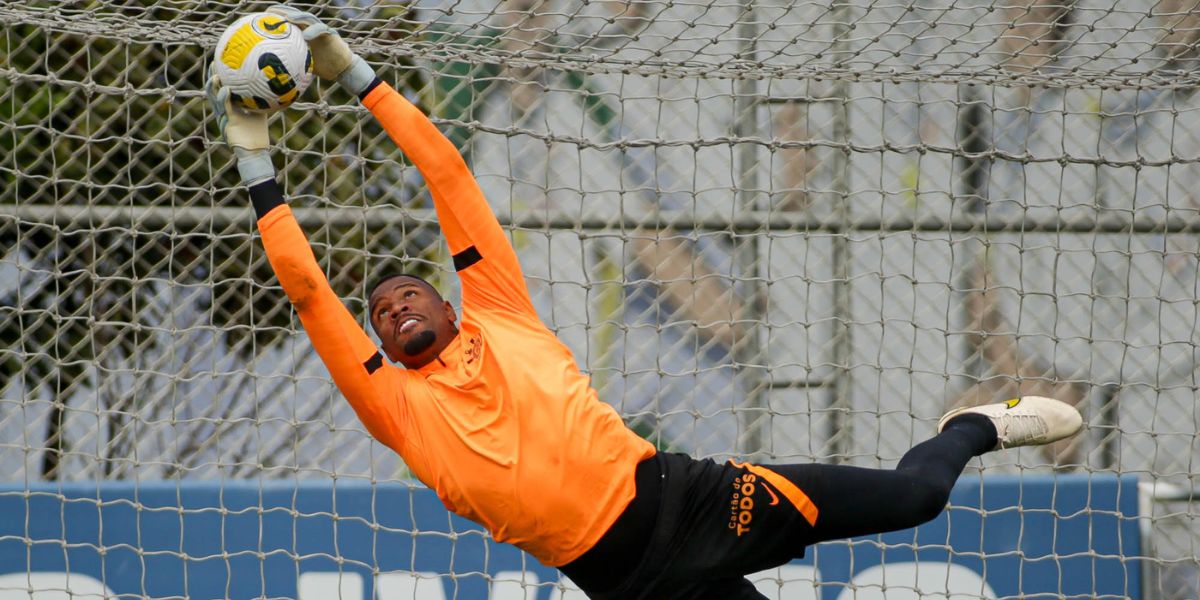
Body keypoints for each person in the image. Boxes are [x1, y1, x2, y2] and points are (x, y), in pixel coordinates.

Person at [205, 8, 1085, 598]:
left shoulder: (503, 311)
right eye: (382, 314)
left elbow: (445, 172)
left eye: (407, 294)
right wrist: (255, 155)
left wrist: (356, 73)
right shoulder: (395, 407)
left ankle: (976, 428)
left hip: (690, 500)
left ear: (450, 301)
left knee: (915, 502)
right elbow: (311, 293)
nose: (391, 308)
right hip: (623, 584)